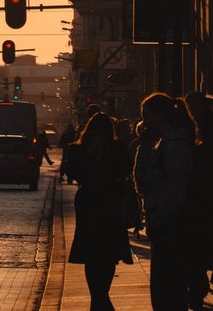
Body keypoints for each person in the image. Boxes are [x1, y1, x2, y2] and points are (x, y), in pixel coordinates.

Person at [65, 111, 134, 310]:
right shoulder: (79, 149)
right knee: (92, 252)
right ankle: (99, 298)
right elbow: (73, 172)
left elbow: (125, 169)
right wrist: (90, 156)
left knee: (108, 252)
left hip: (110, 204)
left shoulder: (117, 148)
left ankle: (99, 299)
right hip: (90, 204)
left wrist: (107, 154)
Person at [134, 93, 197, 310]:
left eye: (148, 118)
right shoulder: (160, 145)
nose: (145, 123)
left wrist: (159, 220)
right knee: (162, 292)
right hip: (163, 225)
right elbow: (141, 182)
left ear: (161, 117)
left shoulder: (175, 145)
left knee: (167, 293)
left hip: (172, 228)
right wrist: (144, 145)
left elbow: (177, 190)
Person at [183, 92, 213, 309]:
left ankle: (198, 286)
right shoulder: (194, 127)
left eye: (194, 107)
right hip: (202, 195)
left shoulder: (207, 126)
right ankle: (198, 284)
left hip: (205, 194)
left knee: (201, 243)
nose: (192, 112)